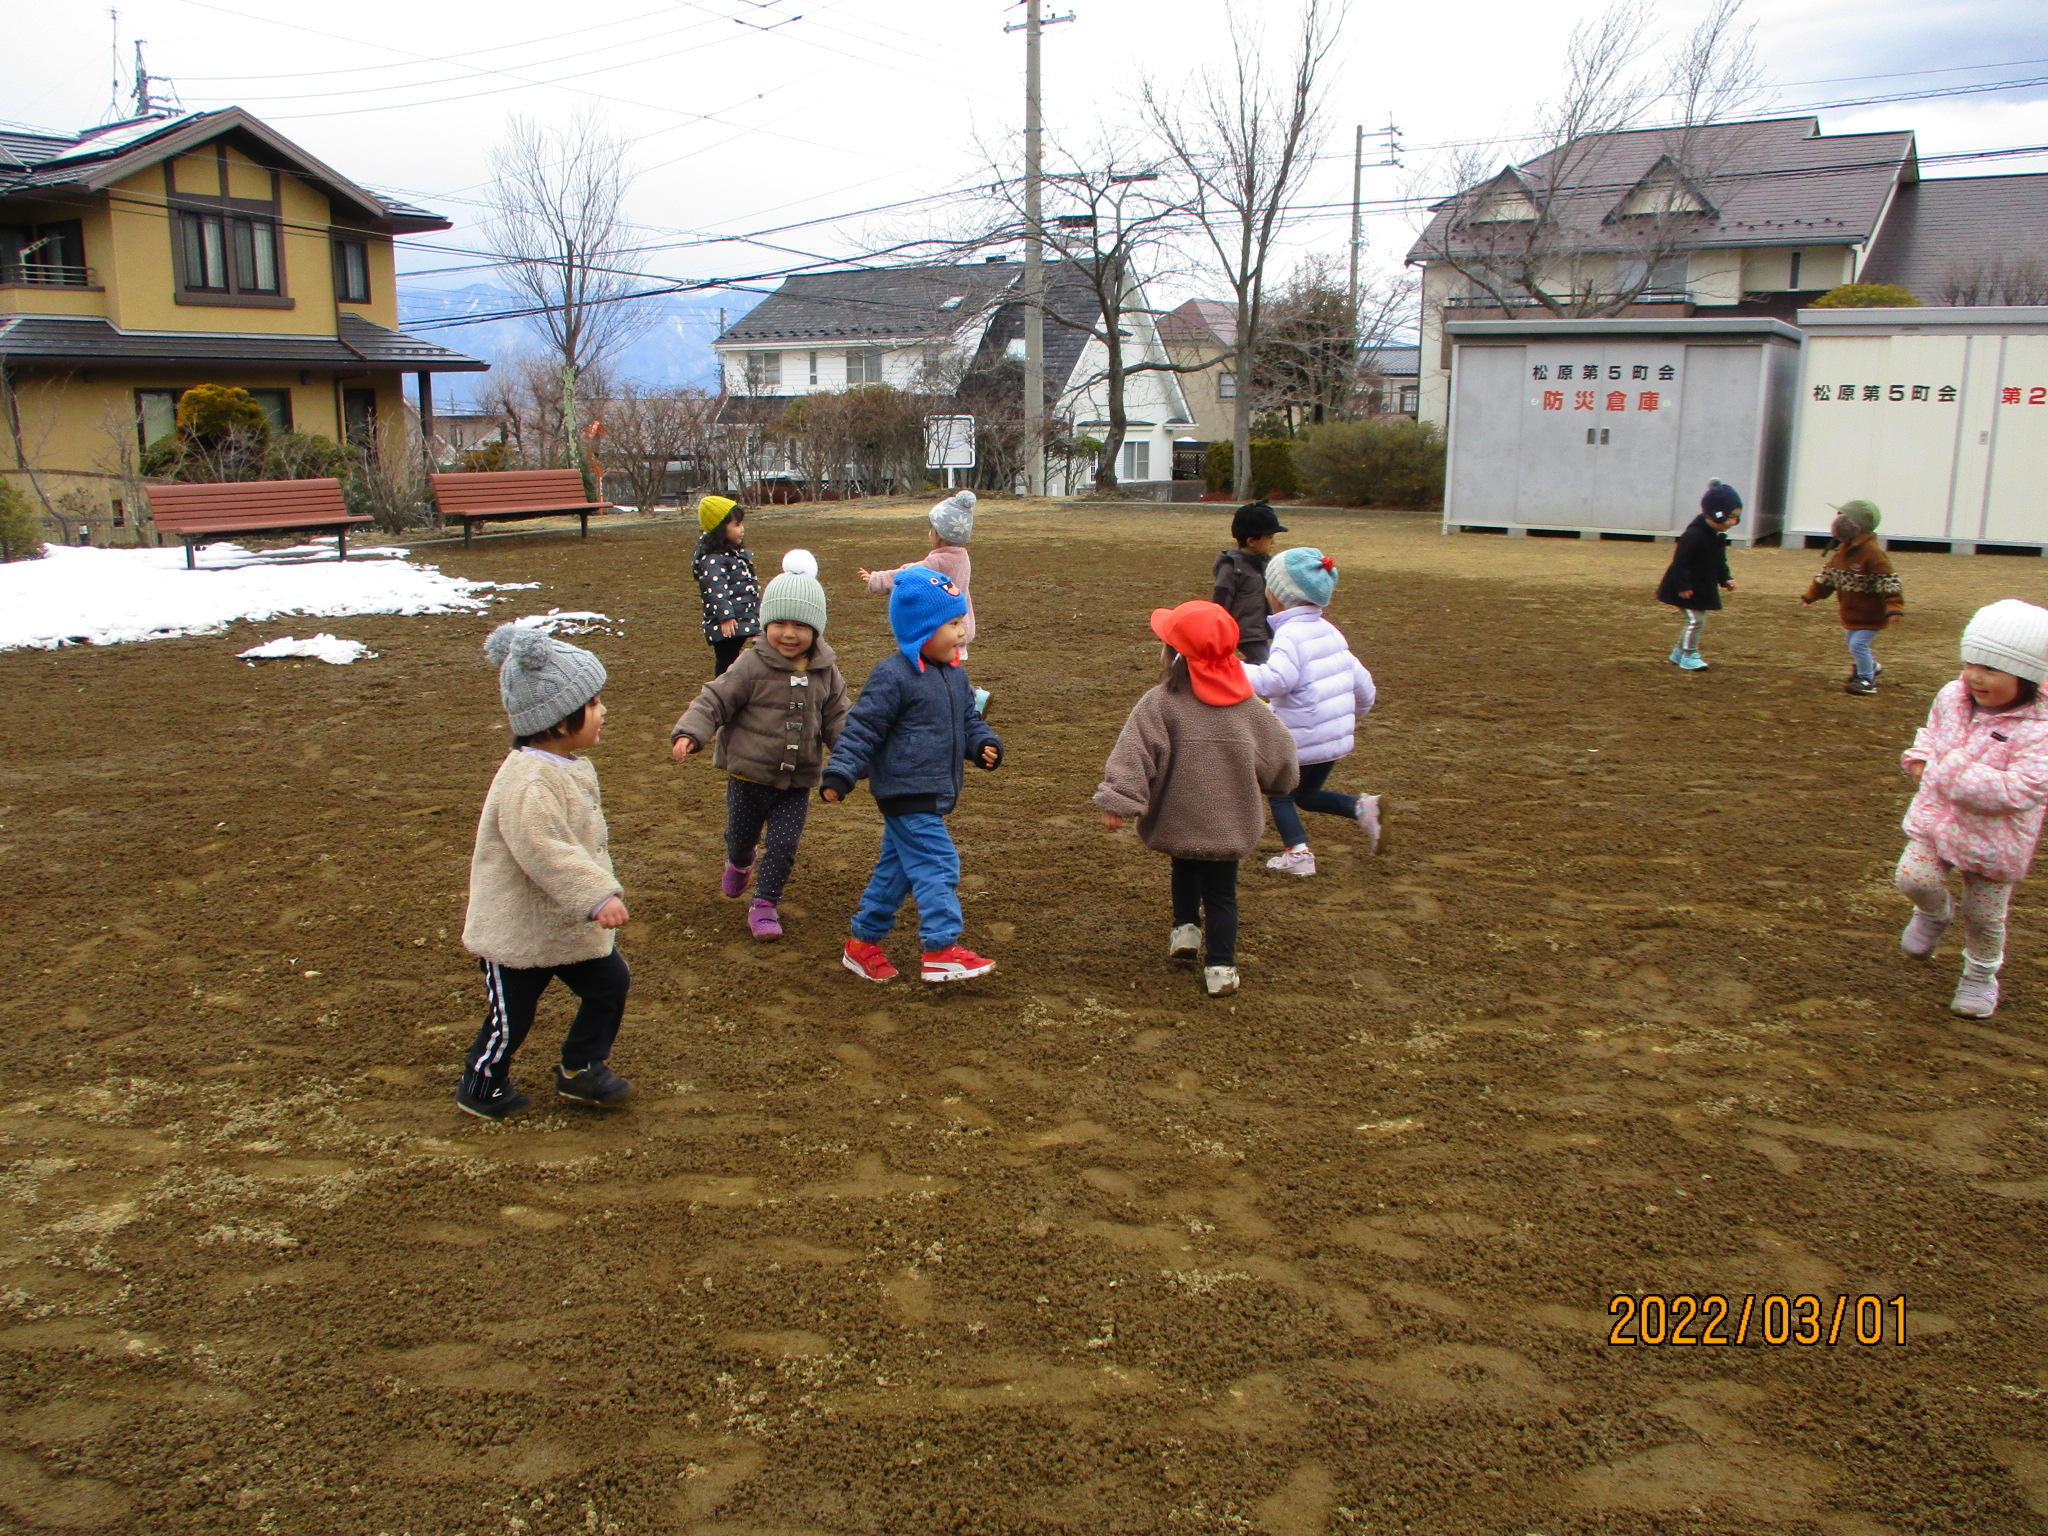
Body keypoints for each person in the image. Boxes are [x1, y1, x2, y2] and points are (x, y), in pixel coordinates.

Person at [456, 623, 631, 1121]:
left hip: (563, 924)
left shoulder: (563, 763)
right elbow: (546, 848)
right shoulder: (530, 782)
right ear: (557, 721)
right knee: (512, 1017)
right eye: (593, 703)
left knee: (609, 983)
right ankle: (480, 1081)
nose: (603, 711)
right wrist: (597, 893)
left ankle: (580, 1067)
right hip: (519, 928)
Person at [1096, 600, 1300, 997]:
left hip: (1178, 818)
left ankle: (1185, 930)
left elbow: (1133, 752)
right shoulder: (1250, 710)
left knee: (1185, 868)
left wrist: (1118, 799)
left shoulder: (1160, 702)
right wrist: (1281, 783)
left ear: (1174, 656)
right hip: (1229, 826)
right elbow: (1282, 756)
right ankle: (1220, 968)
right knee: (1222, 895)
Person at [821, 568, 1003, 984]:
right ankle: (941, 949)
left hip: (933, 789)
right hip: (905, 790)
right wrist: (841, 773)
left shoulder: (955, 675)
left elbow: (969, 719)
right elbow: (862, 728)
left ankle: (862, 944)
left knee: (897, 870)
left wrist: (983, 744)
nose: (963, 632)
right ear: (923, 628)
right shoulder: (893, 676)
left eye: (962, 622)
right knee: (939, 861)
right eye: (953, 624)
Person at [670, 550, 849, 941]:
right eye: (779, 623)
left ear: (816, 629)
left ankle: (765, 903)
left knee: (784, 845)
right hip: (747, 777)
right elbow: (713, 700)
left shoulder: (826, 670)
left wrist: (854, 756)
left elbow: (838, 718)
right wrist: (691, 732)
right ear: (765, 623)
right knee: (740, 838)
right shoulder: (750, 664)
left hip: (795, 783)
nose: (788, 633)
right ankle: (739, 862)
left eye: (799, 625)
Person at [1895, 600, 2048, 1019]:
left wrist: (1950, 775)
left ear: (2029, 675)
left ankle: (1980, 975)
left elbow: (2024, 789)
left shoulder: (2040, 727)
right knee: (1912, 878)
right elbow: (1931, 733)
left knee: (1984, 917)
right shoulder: (1953, 696)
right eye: (1970, 662)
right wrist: (1920, 759)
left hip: (1996, 842)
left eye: (1992, 669)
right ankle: (1933, 911)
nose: (1975, 677)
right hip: (1937, 822)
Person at [1245, 546, 1381, 876]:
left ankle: (1298, 854)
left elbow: (1276, 681)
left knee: (1280, 792)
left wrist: (1231, 669)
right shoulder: (1329, 631)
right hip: (1331, 738)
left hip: (1300, 738)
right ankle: (1362, 808)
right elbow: (1363, 685)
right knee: (1306, 794)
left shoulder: (1291, 634)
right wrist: (1351, 716)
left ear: (1275, 594)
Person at [859, 490, 990, 715]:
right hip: (960, 625)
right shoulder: (962, 556)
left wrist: (876, 579)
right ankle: (966, 699)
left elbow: (908, 574)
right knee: (946, 670)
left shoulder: (937, 561)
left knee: (936, 671)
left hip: (941, 630)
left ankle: (970, 699)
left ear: (938, 534)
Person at [1801, 498, 1901, 696]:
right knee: (1852, 641)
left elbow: (1888, 581)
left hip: (1871, 614)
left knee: (1858, 644)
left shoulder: (1873, 554)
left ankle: (1867, 679)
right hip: (1852, 613)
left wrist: (1894, 606)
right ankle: (1871, 666)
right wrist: (1812, 595)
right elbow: (1828, 576)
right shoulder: (1843, 551)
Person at [1655, 480, 1742, 671]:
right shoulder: (1693, 535)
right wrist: (1682, 586)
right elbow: (1680, 562)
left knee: (1696, 619)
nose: (1733, 522)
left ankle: (1679, 653)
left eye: (1736, 517)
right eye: (1730, 517)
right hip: (1685, 589)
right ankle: (1689, 654)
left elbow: (1719, 561)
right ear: (1716, 514)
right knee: (1696, 620)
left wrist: (1725, 578)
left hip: (1699, 587)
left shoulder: (1716, 537)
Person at [692, 494, 760, 676]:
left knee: (733, 659)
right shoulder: (713, 559)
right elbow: (716, 590)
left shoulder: (730, 554)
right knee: (725, 661)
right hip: (728, 624)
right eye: (737, 525)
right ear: (721, 529)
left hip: (742, 618)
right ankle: (722, 694)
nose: (742, 529)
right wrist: (725, 617)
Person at [1212, 500, 1287, 663]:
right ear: (1251, 541)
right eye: (1269, 537)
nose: (1273, 542)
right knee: (1266, 663)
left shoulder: (1266, 563)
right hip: (1245, 633)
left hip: (1263, 629)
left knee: (1272, 661)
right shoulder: (1231, 567)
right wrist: (1219, 632)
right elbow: (1220, 603)